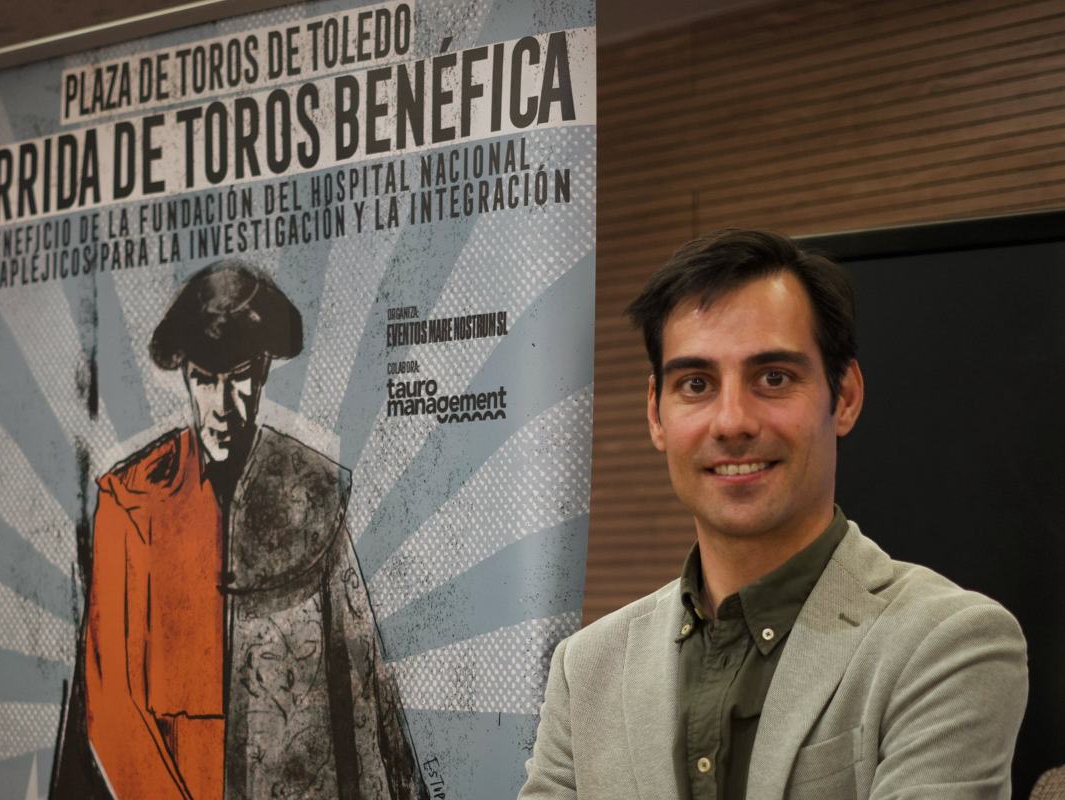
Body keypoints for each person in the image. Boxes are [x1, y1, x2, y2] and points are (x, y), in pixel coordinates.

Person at [519, 229, 1028, 799]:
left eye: (774, 378)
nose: (732, 421)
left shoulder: (948, 644)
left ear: (846, 397)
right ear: (657, 416)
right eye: (696, 384)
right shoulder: (585, 670)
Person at [54, 260, 426, 799]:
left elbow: (360, 687)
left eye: (240, 378)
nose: (223, 406)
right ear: (185, 374)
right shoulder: (130, 499)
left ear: (264, 371)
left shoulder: (313, 489)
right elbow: (112, 706)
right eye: (206, 382)